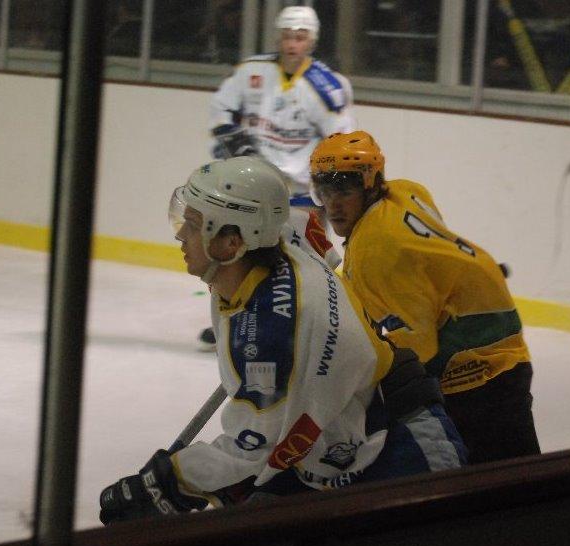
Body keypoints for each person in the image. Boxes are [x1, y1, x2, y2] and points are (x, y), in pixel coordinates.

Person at [99, 157, 465, 524]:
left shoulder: (270, 337)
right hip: (341, 432)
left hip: (401, 445)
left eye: (193, 225)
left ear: (232, 243)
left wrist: (167, 482)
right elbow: (308, 232)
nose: (180, 235)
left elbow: (249, 448)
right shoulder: (275, 234)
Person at [309, 131, 541, 465]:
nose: (333, 204)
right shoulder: (404, 190)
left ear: (371, 183)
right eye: (324, 191)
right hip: (500, 344)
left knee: (503, 483)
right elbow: (428, 257)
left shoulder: (378, 248)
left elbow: (418, 352)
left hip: (479, 373)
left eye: (344, 190)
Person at [198, 5, 353, 349]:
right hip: (254, 187)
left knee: (306, 267)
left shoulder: (326, 86)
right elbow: (221, 109)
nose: (292, 43)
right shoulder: (252, 71)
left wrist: (328, 189)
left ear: (311, 41)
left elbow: (340, 140)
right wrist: (232, 139)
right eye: (287, 36)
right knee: (239, 257)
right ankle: (234, 322)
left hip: (302, 193)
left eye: (300, 37)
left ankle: (307, 330)